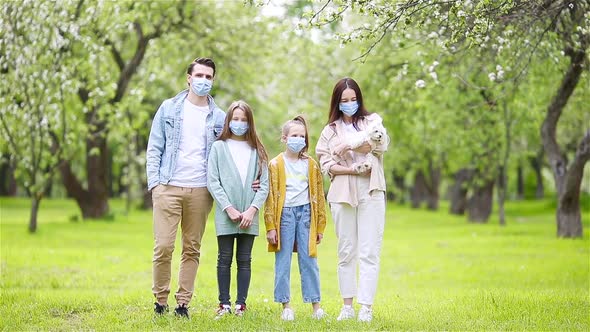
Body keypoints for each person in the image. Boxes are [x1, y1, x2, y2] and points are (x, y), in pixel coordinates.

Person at [146, 57, 226, 318]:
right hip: (168, 186)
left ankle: (182, 305)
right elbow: (154, 147)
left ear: (213, 81)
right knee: (164, 247)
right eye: (199, 75)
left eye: (209, 77)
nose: (204, 81)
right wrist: (155, 185)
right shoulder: (169, 108)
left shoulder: (220, 117)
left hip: (201, 190)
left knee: (192, 248)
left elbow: (229, 154)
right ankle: (160, 301)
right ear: (188, 78)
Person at [315, 77, 390, 322]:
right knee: (346, 251)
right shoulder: (329, 130)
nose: (350, 104)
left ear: (359, 99)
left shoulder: (373, 121)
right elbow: (327, 165)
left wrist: (349, 146)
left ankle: (365, 307)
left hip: (371, 190)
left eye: (354, 99)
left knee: (369, 251)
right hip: (342, 193)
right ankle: (347, 306)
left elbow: (378, 145)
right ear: (337, 102)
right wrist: (353, 168)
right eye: (344, 100)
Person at [207, 100, 270, 319]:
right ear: (228, 120)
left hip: (249, 215)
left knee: (245, 259)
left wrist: (252, 210)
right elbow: (213, 181)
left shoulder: (257, 150)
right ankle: (223, 303)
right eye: (235, 119)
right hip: (227, 214)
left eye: (244, 120)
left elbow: (264, 185)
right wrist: (229, 208)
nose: (239, 123)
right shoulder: (219, 147)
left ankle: (240, 304)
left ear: (250, 123)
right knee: (224, 257)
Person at [264, 116, 327, 321]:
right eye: (294, 135)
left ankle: (316, 305)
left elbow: (318, 195)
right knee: (282, 261)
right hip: (284, 216)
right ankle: (286, 305)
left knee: (309, 260)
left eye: (302, 136)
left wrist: (320, 226)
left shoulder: (311, 165)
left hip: (307, 214)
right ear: (284, 138)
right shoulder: (275, 164)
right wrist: (270, 226)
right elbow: (271, 197)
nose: (298, 139)